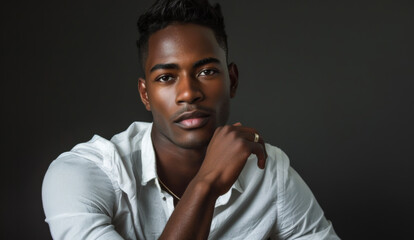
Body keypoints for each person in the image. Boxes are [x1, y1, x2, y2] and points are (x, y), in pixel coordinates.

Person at [42, 0, 340, 239]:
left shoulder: (268, 171)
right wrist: (207, 183)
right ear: (145, 94)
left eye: (206, 71)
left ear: (232, 81)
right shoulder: (83, 174)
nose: (188, 93)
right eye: (167, 77)